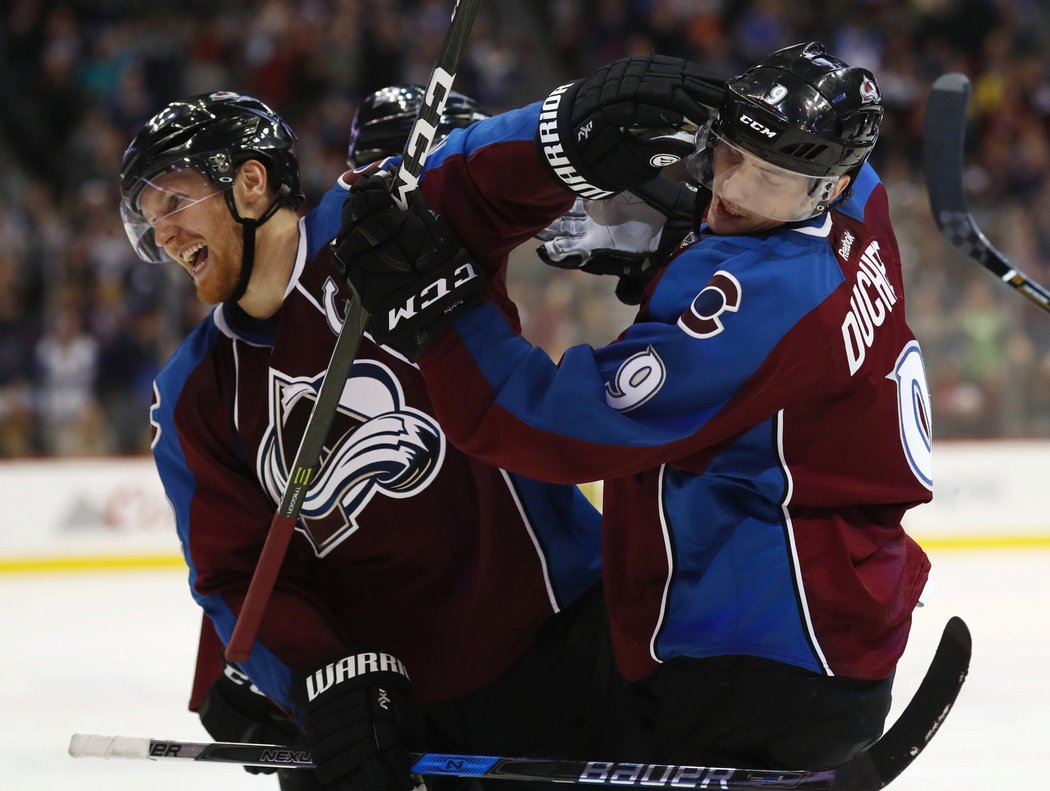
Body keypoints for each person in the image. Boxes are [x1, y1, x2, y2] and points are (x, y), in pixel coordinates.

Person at [334, 43, 933, 771]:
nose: (733, 189)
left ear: (825, 186)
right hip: (836, 628)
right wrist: (676, 237)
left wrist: (439, 307)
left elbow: (548, 424)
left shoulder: (760, 300)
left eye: (769, 178)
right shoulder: (862, 195)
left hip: (751, 656)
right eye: (730, 153)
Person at [118, 80, 688, 791]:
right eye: (150, 219)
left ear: (253, 183)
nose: (162, 234)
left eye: (174, 203)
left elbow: (476, 173)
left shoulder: (382, 222)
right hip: (396, 707)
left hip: (556, 644)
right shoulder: (190, 394)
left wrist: (562, 133)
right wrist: (317, 676)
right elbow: (233, 572)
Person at [183, 84, 493, 791]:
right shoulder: (318, 291)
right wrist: (245, 668)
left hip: (484, 656)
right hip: (361, 674)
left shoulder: (471, 284)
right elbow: (257, 534)